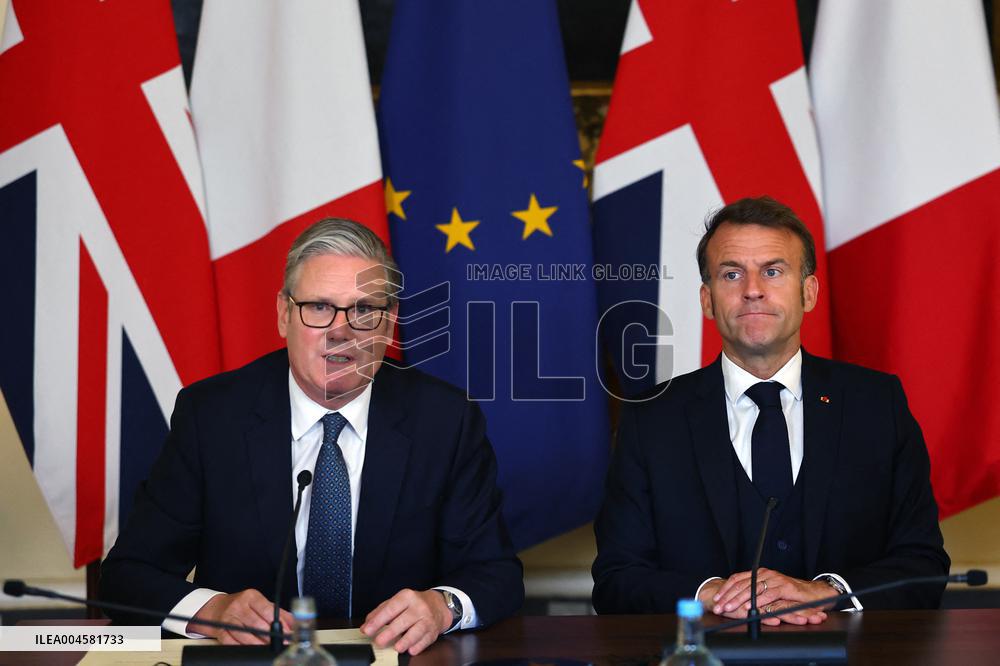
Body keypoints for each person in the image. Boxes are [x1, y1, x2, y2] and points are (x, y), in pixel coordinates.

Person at [100, 218, 523, 655]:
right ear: (284, 314)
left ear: (390, 323)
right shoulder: (212, 416)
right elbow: (129, 573)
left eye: (363, 309)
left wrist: (442, 606)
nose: (341, 330)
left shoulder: (445, 419)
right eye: (319, 307)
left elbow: (496, 573)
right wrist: (215, 609)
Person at [592, 196, 949, 624]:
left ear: (809, 292)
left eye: (773, 271)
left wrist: (829, 591)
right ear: (707, 301)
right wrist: (711, 594)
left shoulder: (876, 404)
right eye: (731, 274)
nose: (753, 289)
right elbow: (616, 580)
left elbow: (923, 563)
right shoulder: (651, 419)